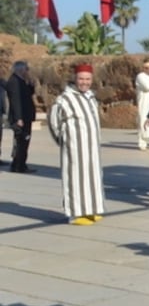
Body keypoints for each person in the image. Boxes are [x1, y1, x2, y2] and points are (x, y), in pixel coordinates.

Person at [47, 63, 105, 225]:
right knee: (76, 180)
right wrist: (64, 141)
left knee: (93, 178)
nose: (84, 82)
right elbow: (53, 123)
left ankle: (92, 209)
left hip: (92, 148)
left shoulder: (91, 97)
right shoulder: (64, 99)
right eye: (81, 79)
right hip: (74, 148)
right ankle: (75, 213)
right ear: (75, 79)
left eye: (87, 79)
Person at [7, 61, 36, 173]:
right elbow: (16, 101)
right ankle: (19, 165)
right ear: (20, 69)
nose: (27, 71)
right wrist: (19, 118)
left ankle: (19, 164)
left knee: (24, 142)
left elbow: (28, 94)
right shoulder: (14, 81)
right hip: (21, 118)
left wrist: (30, 84)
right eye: (26, 69)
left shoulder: (22, 81)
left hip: (26, 116)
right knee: (21, 142)